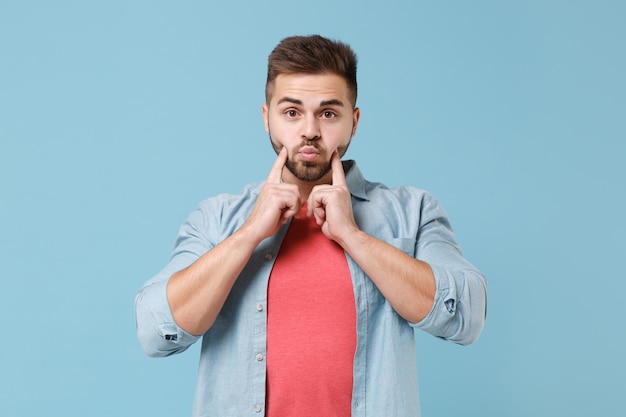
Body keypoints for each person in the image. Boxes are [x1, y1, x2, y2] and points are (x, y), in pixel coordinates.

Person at [135, 34, 487, 417]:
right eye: (292, 112)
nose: (309, 131)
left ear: (353, 121)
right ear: (266, 117)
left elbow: (466, 317)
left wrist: (353, 236)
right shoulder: (217, 219)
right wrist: (250, 232)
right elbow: (157, 331)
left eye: (328, 113)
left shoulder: (413, 211)